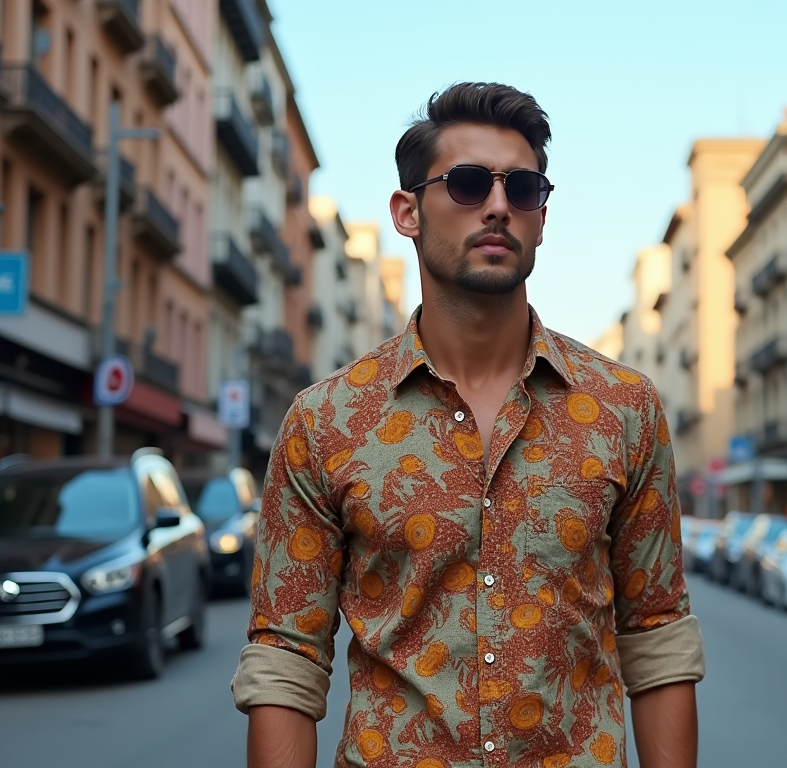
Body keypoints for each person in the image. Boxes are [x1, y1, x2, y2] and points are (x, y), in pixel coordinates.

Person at [232, 82, 705, 768]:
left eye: (523, 190)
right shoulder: (327, 421)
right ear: (407, 212)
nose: (496, 206)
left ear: (542, 218)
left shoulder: (623, 407)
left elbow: (657, 638)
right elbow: (285, 657)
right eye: (466, 183)